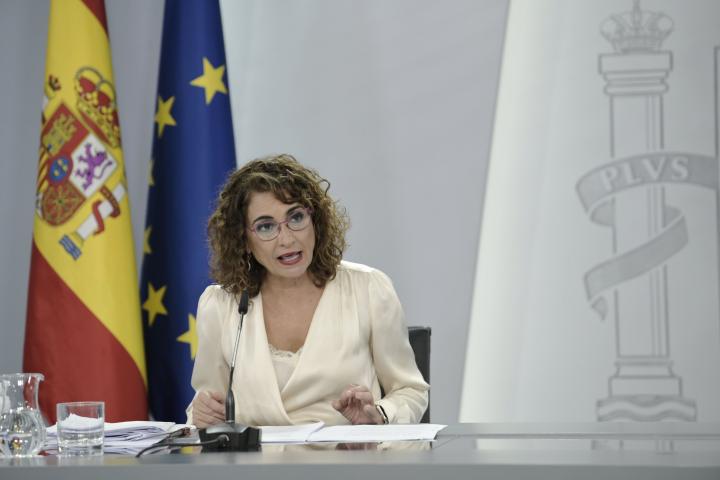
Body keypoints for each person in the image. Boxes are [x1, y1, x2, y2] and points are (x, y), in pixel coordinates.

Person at [187, 154, 429, 427]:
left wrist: (380, 414)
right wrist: (201, 416)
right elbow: (205, 407)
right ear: (243, 239)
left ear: (315, 220)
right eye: (266, 226)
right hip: (255, 456)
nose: (287, 239)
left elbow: (411, 391)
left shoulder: (368, 288)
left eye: (296, 217)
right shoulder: (221, 305)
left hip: (348, 453)